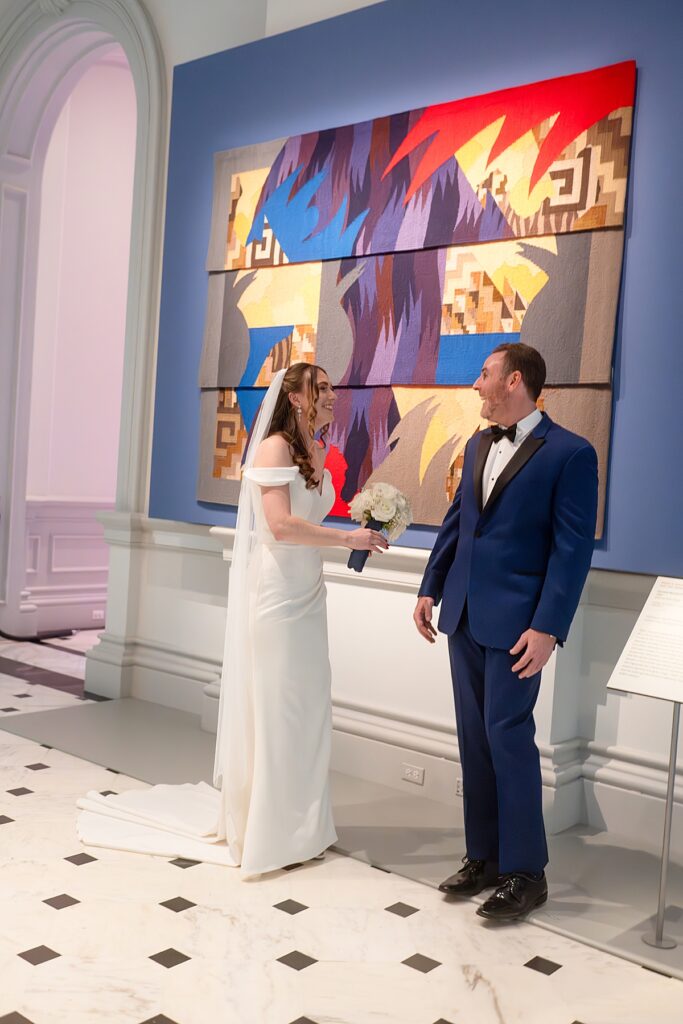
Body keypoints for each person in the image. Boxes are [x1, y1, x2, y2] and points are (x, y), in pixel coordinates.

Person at [76, 363, 387, 877]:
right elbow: (281, 527)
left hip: (308, 591)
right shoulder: (274, 448)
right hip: (278, 596)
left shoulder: (318, 449)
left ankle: (304, 827)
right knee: (280, 709)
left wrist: (365, 522)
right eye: (324, 388)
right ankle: (271, 831)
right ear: (296, 396)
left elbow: (311, 513)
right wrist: (346, 539)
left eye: (333, 388)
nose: (334, 395)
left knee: (308, 709)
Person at [413, 343, 598, 921]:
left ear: (514, 381)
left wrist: (549, 628)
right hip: (464, 614)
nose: (477, 386)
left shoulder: (571, 454)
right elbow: (457, 524)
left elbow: (572, 551)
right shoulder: (475, 444)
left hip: (521, 626)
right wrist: (430, 586)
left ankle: (526, 872)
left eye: (485, 375)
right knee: (474, 738)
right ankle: (484, 857)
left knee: (508, 738)